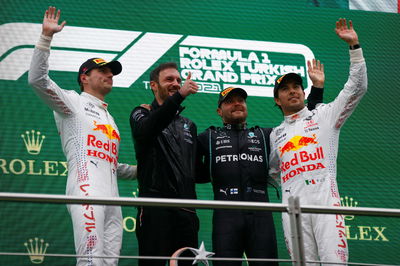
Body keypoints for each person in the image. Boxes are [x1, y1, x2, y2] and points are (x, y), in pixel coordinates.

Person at [28, 7, 137, 266]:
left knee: (110, 263)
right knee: (90, 261)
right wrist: (46, 37)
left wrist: (139, 170)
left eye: (112, 72)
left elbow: (110, 165)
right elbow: (37, 80)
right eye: (103, 71)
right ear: (84, 77)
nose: (110, 75)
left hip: (112, 200)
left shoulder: (109, 118)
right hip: (86, 192)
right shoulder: (73, 103)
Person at [196, 66, 324, 265]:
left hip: (261, 217)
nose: (237, 104)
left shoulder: (267, 135)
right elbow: (193, 171)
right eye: (229, 102)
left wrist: (317, 90)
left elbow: (308, 123)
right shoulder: (208, 137)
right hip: (225, 217)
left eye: (241, 100)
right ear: (219, 111)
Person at [269, 18, 367, 264]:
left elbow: (356, 88)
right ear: (277, 101)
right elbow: (272, 172)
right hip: (292, 207)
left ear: (304, 93)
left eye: (297, 87)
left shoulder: (324, 115)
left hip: (325, 200)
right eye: (286, 89)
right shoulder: (275, 135)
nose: (293, 90)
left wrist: (354, 46)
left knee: (334, 262)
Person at [129, 63, 199, 266]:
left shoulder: (189, 125)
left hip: (187, 211)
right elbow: (146, 131)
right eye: (169, 79)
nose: (176, 84)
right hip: (155, 209)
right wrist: (180, 97)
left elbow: (195, 170)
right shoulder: (141, 113)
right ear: (153, 85)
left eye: (178, 80)